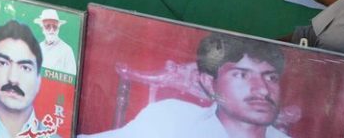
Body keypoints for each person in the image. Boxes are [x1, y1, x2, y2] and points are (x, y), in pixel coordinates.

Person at [79, 34, 291, 138]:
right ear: (209, 82)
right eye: (242, 75)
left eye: (271, 78)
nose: (263, 89)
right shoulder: (171, 118)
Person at [34, 8, 76, 75]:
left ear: (58, 29)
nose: (52, 30)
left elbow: (72, 77)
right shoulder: (38, 48)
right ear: (42, 29)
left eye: (55, 27)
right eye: (48, 26)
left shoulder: (67, 50)